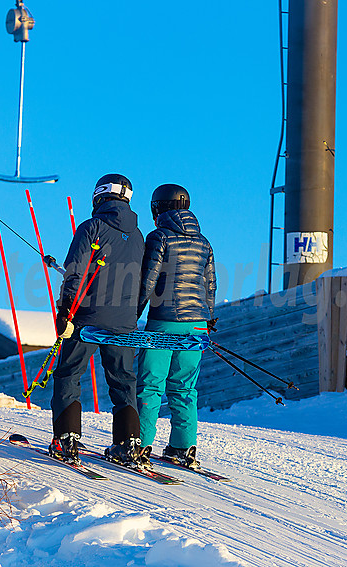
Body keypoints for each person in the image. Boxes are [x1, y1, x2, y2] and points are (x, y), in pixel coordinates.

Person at [49, 173, 146, 467]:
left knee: (69, 374)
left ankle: (66, 439)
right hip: (125, 320)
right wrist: (132, 314)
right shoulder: (139, 235)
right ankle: (128, 442)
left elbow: (75, 272)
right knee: (123, 380)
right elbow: (144, 283)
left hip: (87, 317)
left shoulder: (92, 227)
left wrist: (65, 310)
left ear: (99, 196)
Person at [136, 183, 216, 469]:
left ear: (158, 208)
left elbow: (148, 280)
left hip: (164, 321)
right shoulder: (204, 242)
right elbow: (210, 285)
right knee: (185, 387)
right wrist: (208, 317)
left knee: (150, 385)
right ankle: (183, 447)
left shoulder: (159, 237)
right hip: (197, 326)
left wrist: (134, 313)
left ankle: (141, 445)